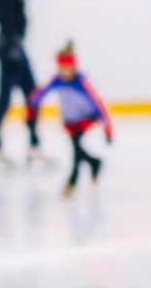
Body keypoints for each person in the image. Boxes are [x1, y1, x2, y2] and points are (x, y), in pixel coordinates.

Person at [27, 42, 113, 197]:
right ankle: (95, 162)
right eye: (62, 68)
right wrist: (31, 108)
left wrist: (107, 128)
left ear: (74, 66)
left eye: (68, 68)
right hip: (69, 120)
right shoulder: (56, 80)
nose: (65, 72)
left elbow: (98, 103)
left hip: (85, 118)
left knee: (75, 150)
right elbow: (40, 93)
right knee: (77, 149)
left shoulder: (82, 82)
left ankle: (71, 182)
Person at [0, 0, 51, 167]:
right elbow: (4, 15)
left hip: (15, 44)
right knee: (6, 98)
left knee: (32, 95)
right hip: (10, 45)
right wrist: (11, 48)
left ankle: (33, 144)